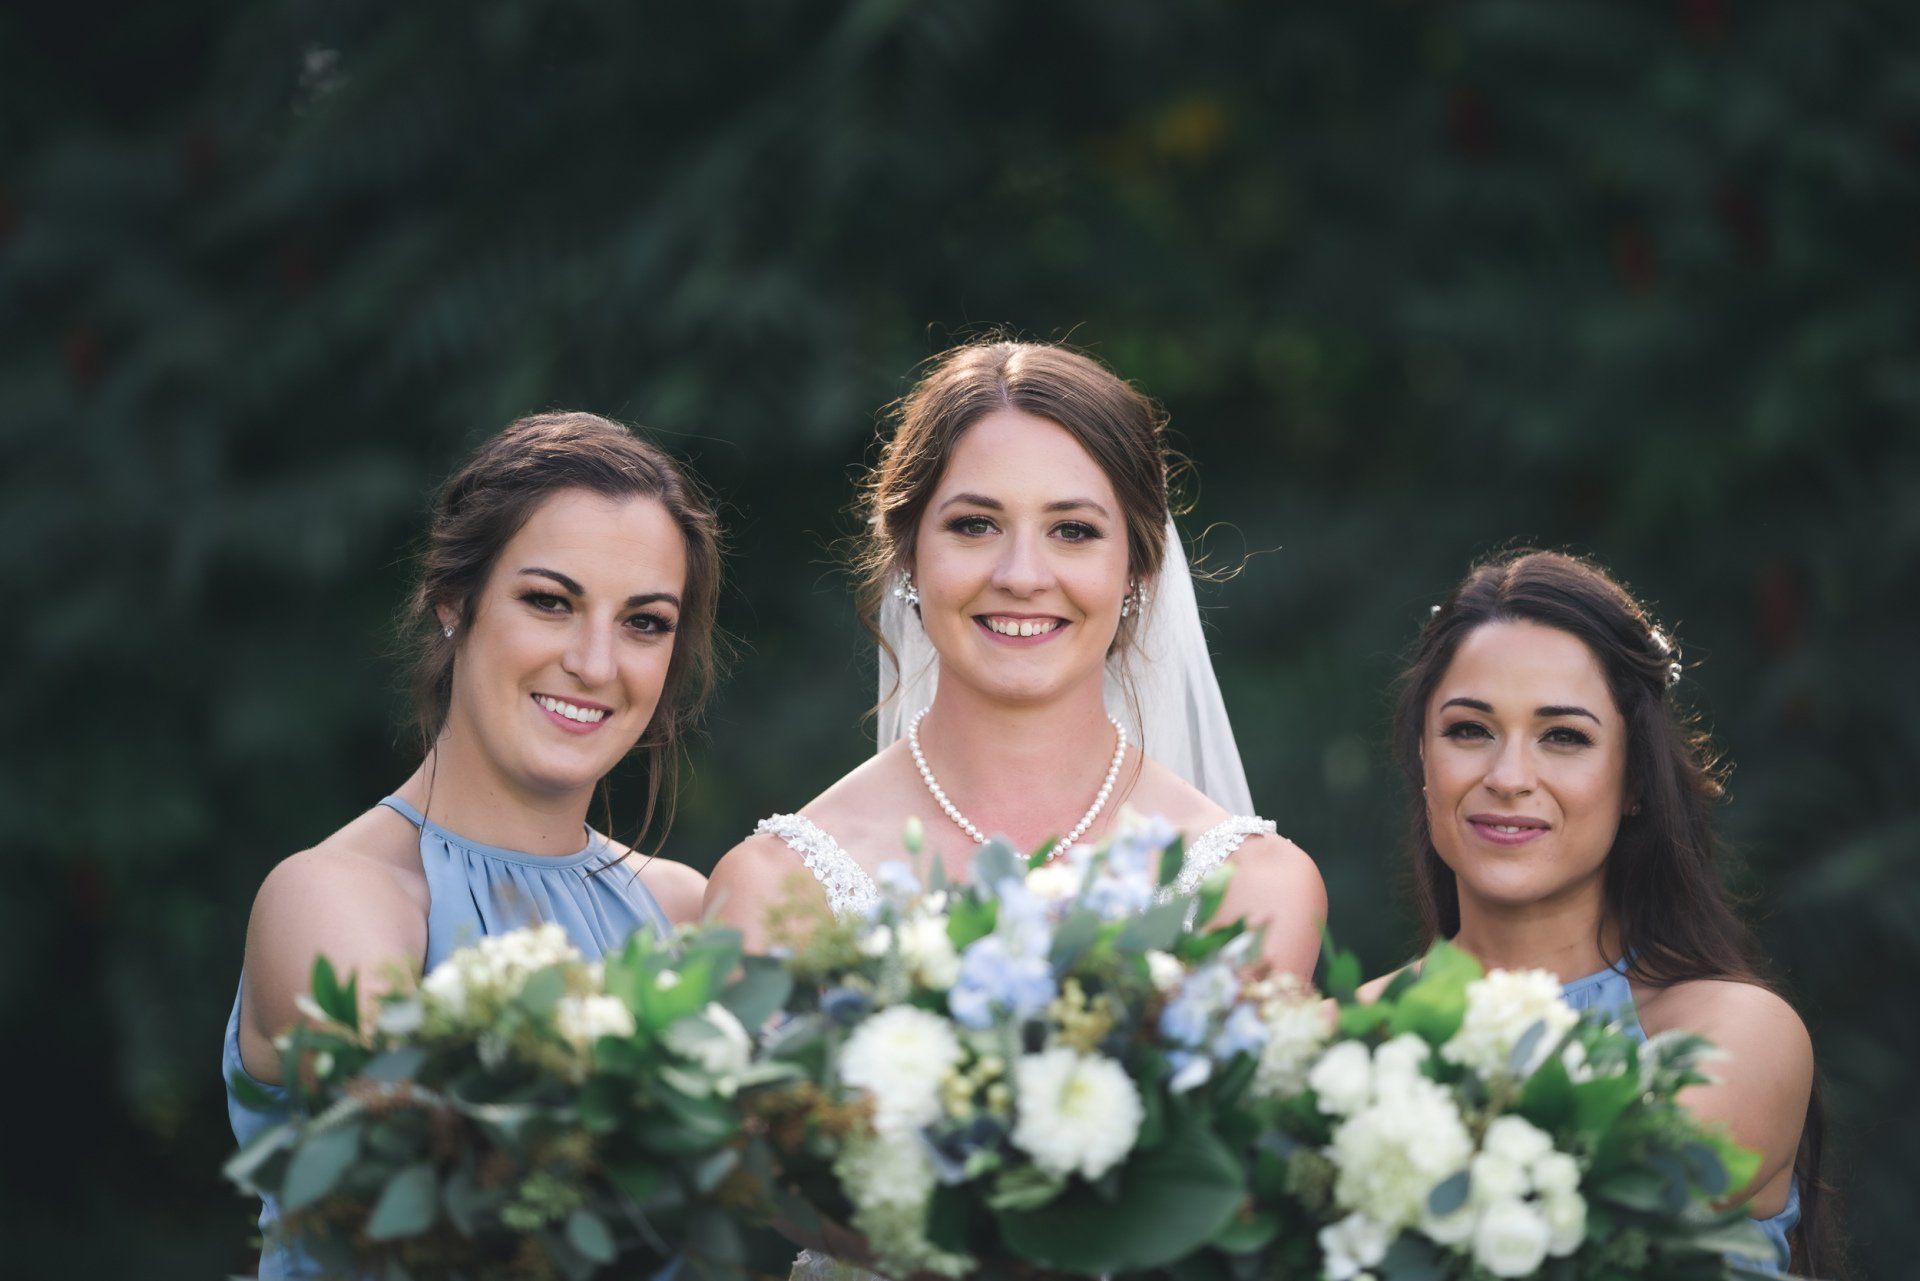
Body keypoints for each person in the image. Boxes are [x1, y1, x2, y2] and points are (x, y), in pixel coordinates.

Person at [223, 412, 719, 1278]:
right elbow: (447, 1190)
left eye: (644, 622)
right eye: (550, 602)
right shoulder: (337, 900)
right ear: (456, 601)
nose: (596, 662)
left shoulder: (682, 910)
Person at [705, 339, 1325, 976]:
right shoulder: (778, 891)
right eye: (975, 525)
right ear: (908, 552)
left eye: (1073, 531)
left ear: (1137, 569)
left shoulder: (1251, 890)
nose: (1022, 576)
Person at [1369, 548, 1834, 1275]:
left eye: (1564, 736)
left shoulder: (1732, 1035)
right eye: (1469, 729)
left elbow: (1576, 1229)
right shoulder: (1349, 1031)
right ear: (1422, 758)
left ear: (1634, 780)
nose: (1509, 777)